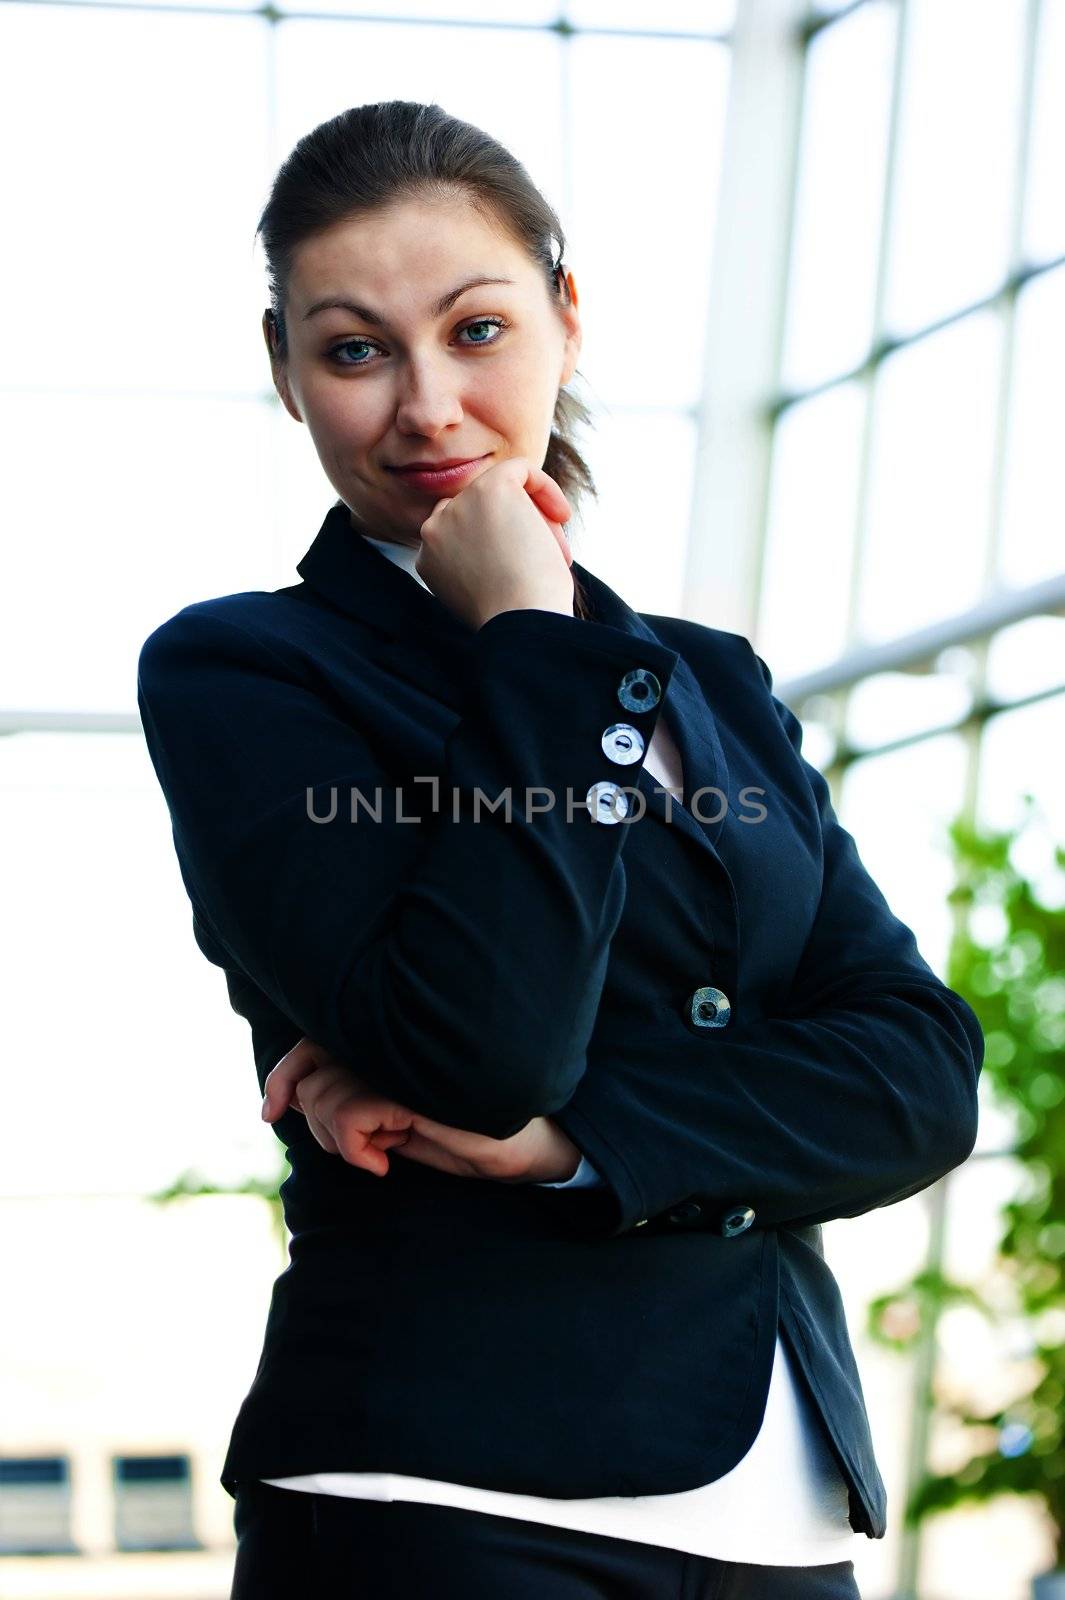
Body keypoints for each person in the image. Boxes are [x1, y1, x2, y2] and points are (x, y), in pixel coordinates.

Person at [135, 100, 984, 1599]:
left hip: (774, 1502)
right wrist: (528, 631)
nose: (425, 407)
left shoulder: (711, 683)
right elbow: (478, 1046)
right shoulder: (246, 675)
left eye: (475, 329)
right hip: (441, 1490)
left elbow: (915, 1079)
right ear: (286, 373)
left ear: (565, 319)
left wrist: (572, 1146)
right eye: (352, 350)